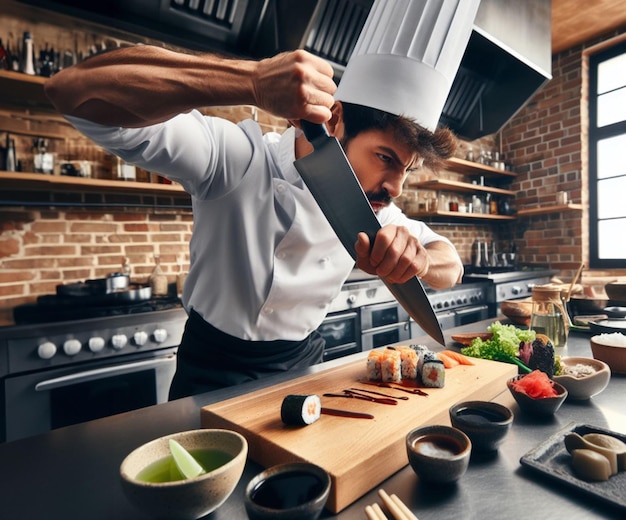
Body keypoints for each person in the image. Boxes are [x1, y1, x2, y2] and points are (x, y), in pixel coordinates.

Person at [44, 44, 464, 398]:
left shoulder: (376, 210)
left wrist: (421, 262)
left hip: (303, 372)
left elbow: (451, 263)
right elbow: (72, 92)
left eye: (405, 170)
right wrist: (251, 79)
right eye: (385, 158)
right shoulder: (235, 157)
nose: (395, 188)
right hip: (211, 372)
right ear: (334, 120)